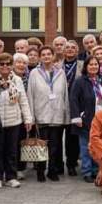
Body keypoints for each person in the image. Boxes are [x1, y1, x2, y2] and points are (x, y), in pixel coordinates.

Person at [0, 53, 32, 189]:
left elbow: (23, 100)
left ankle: (11, 177)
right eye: (2, 64)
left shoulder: (17, 80)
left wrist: (28, 119)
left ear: (11, 65)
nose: (5, 66)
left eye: (8, 64)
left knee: (11, 150)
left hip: (14, 121)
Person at [27, 45, 69, 182]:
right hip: (41, 114)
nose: (46, 56)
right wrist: (31, 117)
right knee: (41, 145)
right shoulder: (34, 73)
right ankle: (40, 170)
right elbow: (30, 94)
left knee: (55, 146)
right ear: (40, 57)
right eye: (43, 54)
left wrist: (66, 115)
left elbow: (65, 94)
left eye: (48, 54)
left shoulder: (60, 72)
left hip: (57, 114)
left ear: (53, 56)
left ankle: (52, 170)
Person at [70, 55, 102, 183]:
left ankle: (95, 170)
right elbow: (73, 99)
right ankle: (87, 171)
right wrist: (76, 117)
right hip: (86, 119)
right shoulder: (80, 81)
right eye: (91, 64)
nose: (94, 67)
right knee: (86, 146)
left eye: (96, 64)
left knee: (98, 146)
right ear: (86, 66)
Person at [60, 41, 83, 176]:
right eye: (67, 47)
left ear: (77, 50)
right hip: (59, 105)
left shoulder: (82, 65)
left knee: (72, 137)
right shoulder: (56, 66)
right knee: (56, 137)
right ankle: (57, 164)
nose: (70, 49)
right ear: (63, 50)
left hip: (76, 105)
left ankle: (71, 164)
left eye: (73, 47)